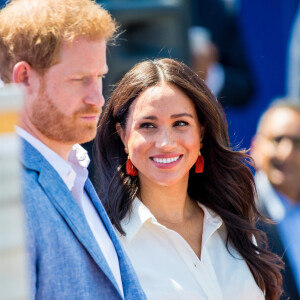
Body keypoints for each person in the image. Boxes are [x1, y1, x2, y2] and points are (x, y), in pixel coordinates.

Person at [94, 58, 283, 300]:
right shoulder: (108, 244)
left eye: (180, 123)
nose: (166, 143)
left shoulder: (234, 224)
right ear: (123, 136)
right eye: (148, 125)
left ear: (201, 132)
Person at [0, 0, 146, 299]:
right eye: (80, 79)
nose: (98, 98)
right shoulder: (8, 190)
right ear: (24, 78)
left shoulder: (72, 170)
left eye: (100, 77)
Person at [251, 100, 300, 299]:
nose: (286, 152)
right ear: (256, 146)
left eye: (297, 143)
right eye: (278, 139)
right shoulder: (237, 213)